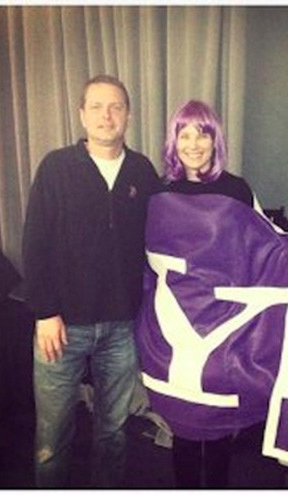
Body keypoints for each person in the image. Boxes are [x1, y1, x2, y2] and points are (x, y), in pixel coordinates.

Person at [22, 74, 161, 487]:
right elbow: (35, 243)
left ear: (128, 115)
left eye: (116, 106)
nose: (107, 115)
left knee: (113, 433)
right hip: (61, 327)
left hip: (121, 326)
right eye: (97, 106)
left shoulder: (142, 171)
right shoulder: (56, 167)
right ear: (82, 115)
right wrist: (45, 312)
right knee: (52, 438)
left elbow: (163, 238)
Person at [159, 100, 272, 488]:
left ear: (215, 140)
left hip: (224, 322)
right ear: (174, 141)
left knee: (219, 420)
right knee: (185, 423)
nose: (193, 144)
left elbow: (263, 244)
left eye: (202, 134)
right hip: (176, 322)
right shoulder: (161, 191)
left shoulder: (236, 189)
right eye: (184, 134)